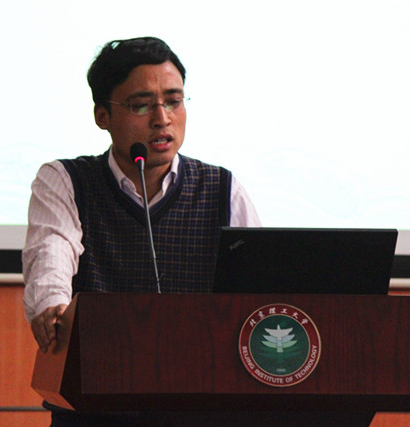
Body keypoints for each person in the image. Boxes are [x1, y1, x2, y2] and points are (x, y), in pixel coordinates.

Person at [22, 36, 261, 425]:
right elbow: (53, 248)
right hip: (95, 403)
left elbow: (260, 289)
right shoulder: (66, 180)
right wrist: (52, 307)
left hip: (200, 405)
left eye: (174, 101)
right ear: (102, 115)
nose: (162, 118)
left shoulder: (222, 188)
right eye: (141, 105)